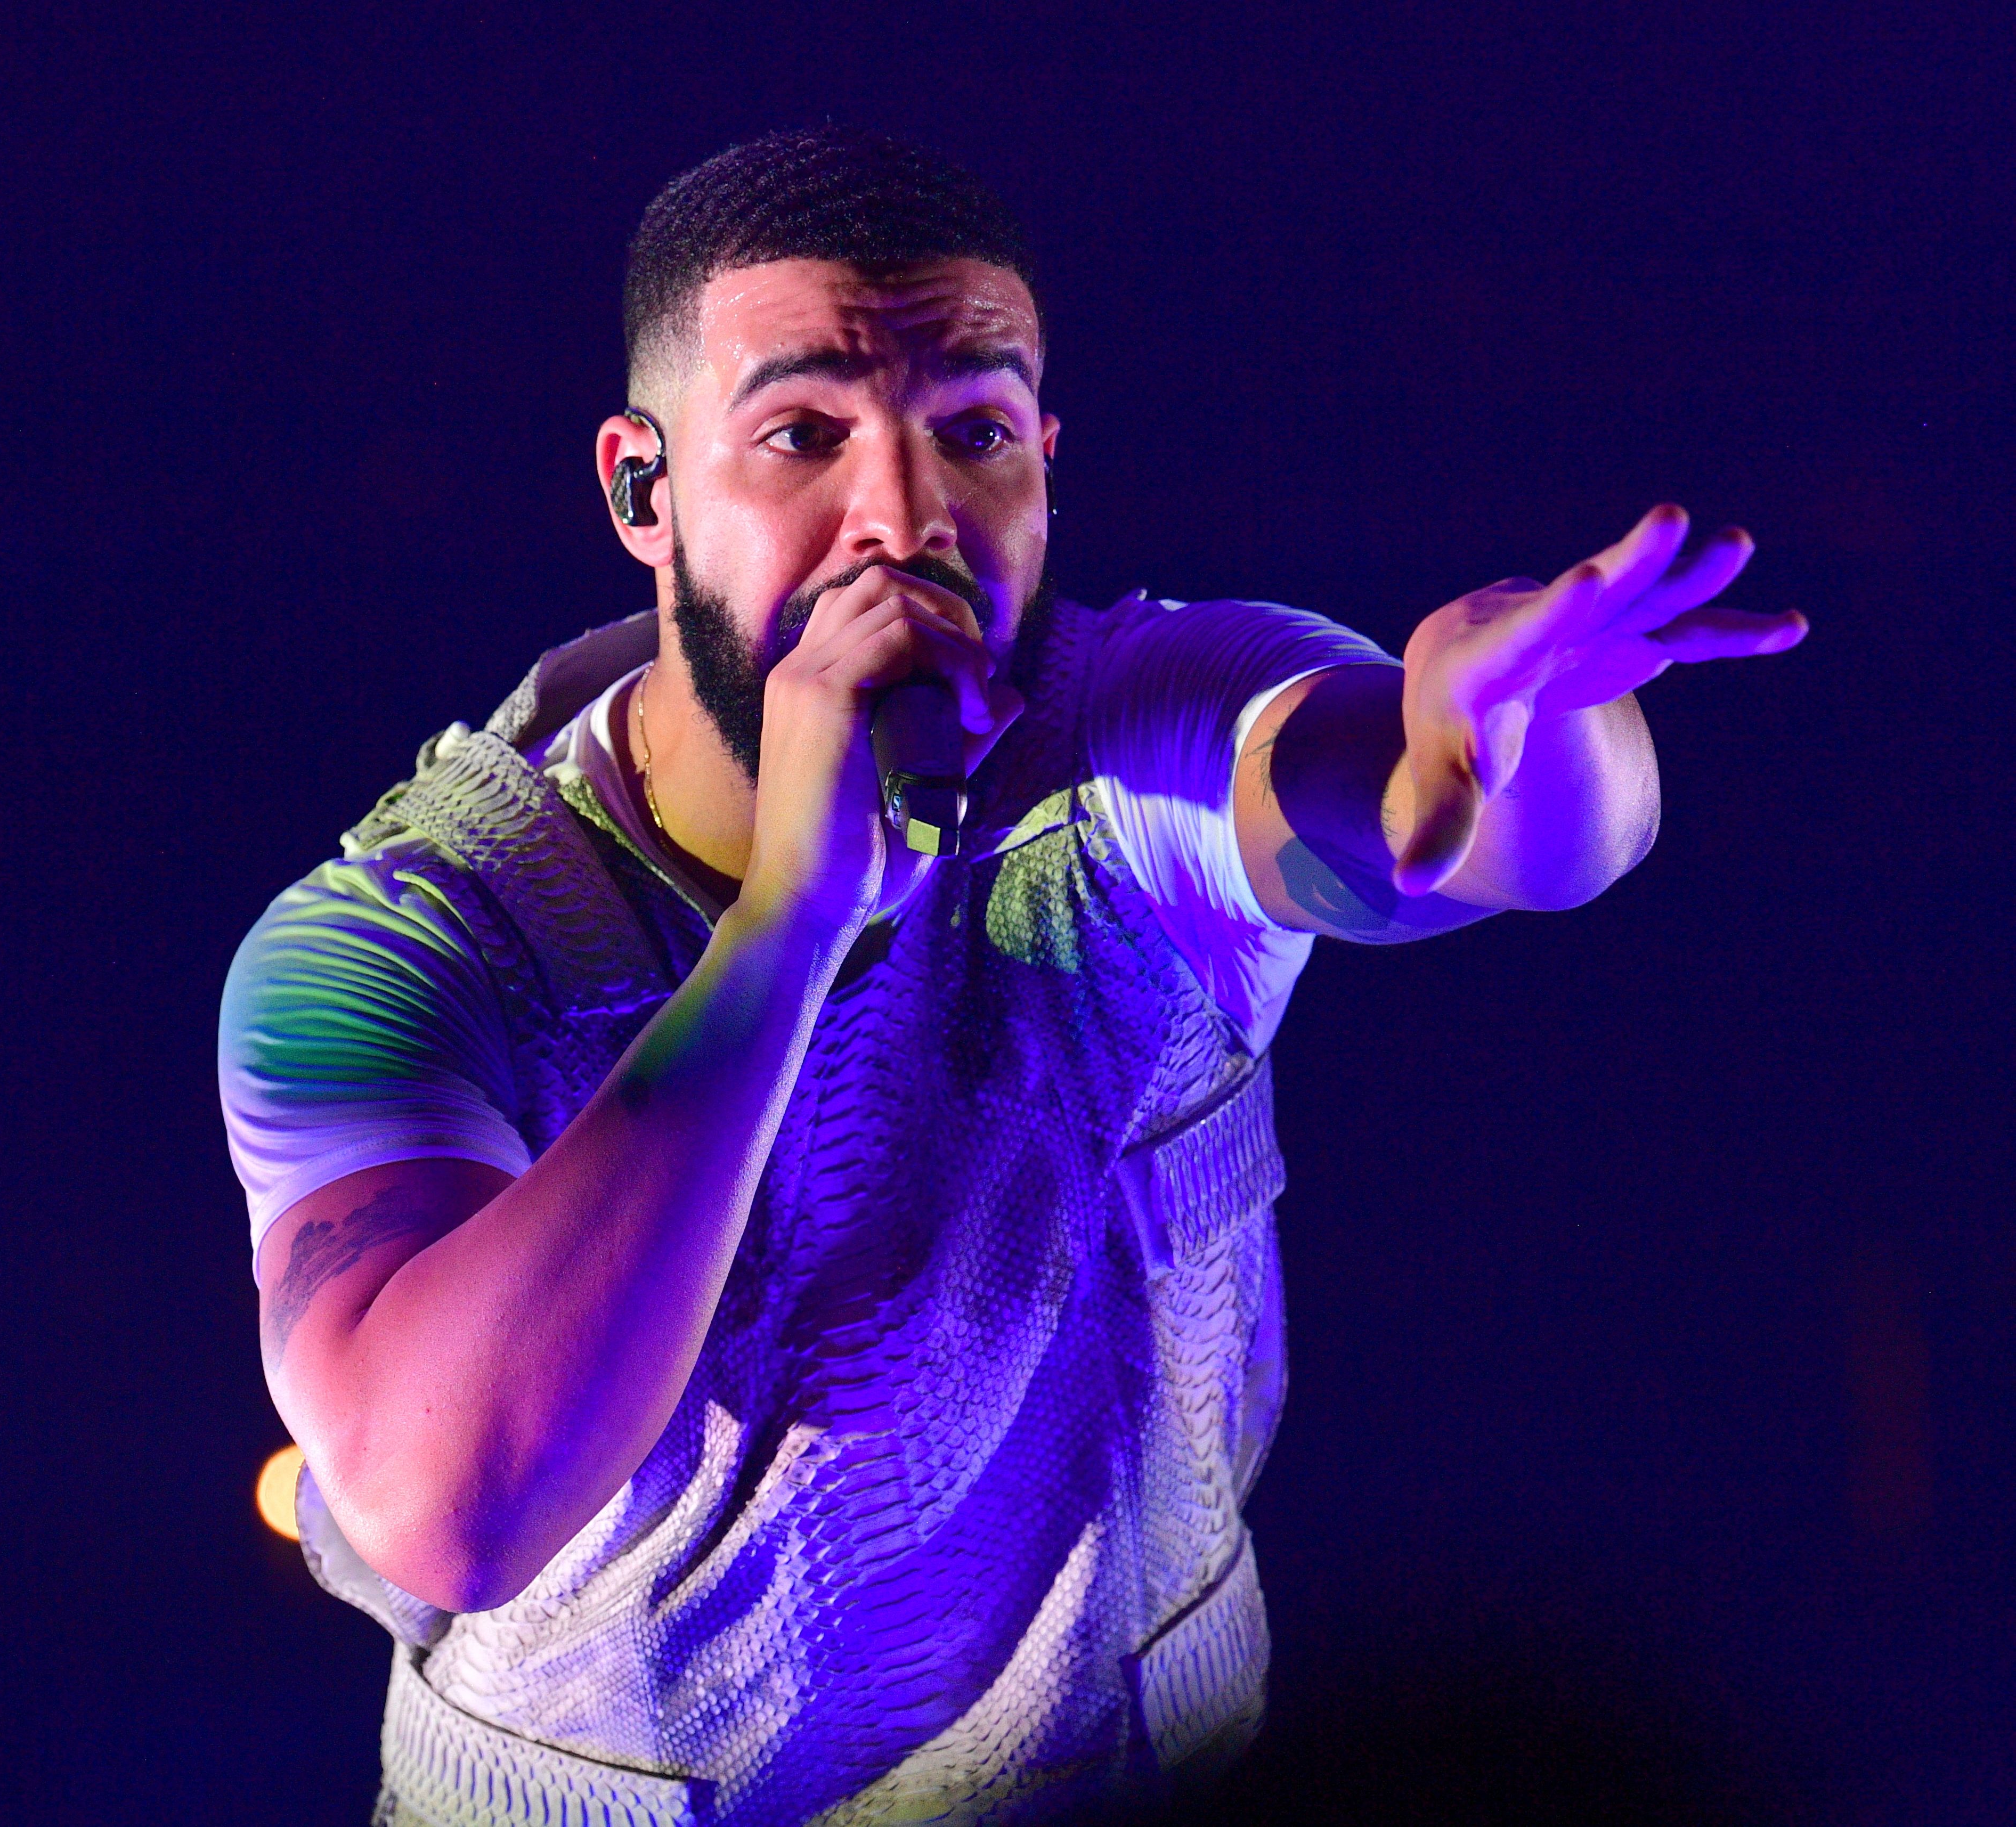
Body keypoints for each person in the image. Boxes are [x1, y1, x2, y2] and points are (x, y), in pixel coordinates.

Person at [218, 129, 1806, 1825]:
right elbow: (438, 1504)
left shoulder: (1140, 731)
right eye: (803, 436)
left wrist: (1513, 733)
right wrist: (791, 925)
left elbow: (1523, 836)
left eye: (971, 433)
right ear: (643, 488)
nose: (900, 520)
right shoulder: (399, 947)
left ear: (1046, 460)